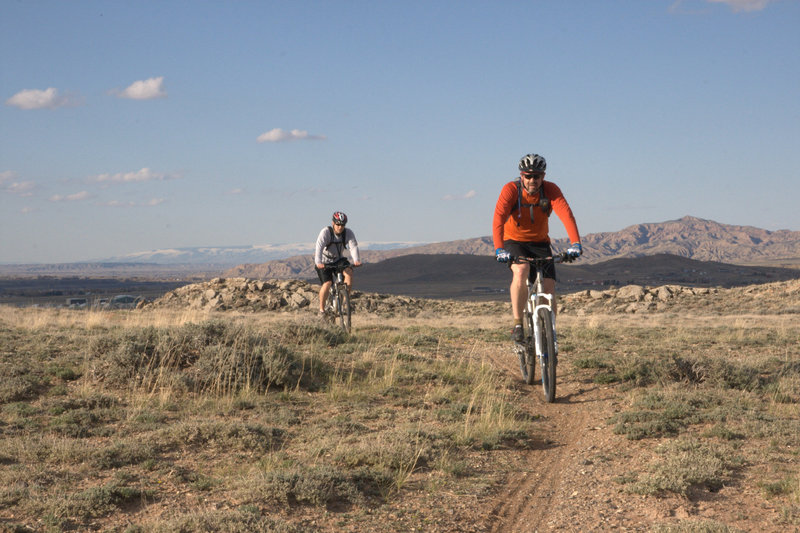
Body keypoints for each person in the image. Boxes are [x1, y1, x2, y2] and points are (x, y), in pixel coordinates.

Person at [492, 153, 582, 342]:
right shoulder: (510, 190)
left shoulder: (550, 190)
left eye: (537, 176)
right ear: (521, 176)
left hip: (541, 243)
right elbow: (498, 218)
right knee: (522, 270)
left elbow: (566, 215)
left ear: (543, 176)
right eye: (528, 176)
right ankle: (518, 323)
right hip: (514, 242)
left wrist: (575, 243)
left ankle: (549, 334)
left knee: (548, 289)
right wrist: (499, 249)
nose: (532, 180)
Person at [314, 211, 362, 317]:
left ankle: (345, 303)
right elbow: (319, 247)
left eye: (342, 225)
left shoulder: (348, 233)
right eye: (338, 224)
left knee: (349, 272)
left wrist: (356, 260)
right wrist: (318, 262)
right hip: (324, 261)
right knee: (327, 283)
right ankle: (321, 310)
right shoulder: (326, 232)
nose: (340, 227)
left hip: (338, 260)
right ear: (333, 223)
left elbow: (353, 246)